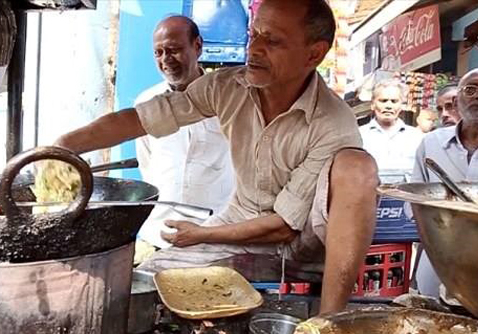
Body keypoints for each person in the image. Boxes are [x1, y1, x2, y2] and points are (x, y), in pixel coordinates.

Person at [54, 0, 378, 314]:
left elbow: (284, 228)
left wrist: (202, 234)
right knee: (144, 283)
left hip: (307, 244)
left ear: (314, 54)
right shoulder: (227, 87)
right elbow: (140, 119)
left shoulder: (334, 123)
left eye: (272, 40)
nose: (254, 49)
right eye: (254, 35)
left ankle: (329, 326)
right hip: (238, 225)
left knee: (357, 166)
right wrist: (64, 145)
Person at [412, 67, 478, 298]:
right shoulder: (431, 143)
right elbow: (415, 203)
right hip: (440, 257)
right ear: (457, 101)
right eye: (471, 89)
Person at [135, 16, 235, 249]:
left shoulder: (228, 102)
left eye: (174, 50)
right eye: (158, 53)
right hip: (159, 235)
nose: (166, 60)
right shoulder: (146, 102)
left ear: (198, 46)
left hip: (214, 234)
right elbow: (147, 165)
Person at [359, 79, 423, 172]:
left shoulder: (417, 137)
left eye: (394, 101)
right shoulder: (360, 135)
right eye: (383, 101)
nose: (388, 106)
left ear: (401, 105)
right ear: (373, 104)